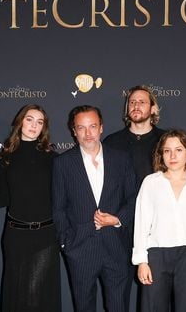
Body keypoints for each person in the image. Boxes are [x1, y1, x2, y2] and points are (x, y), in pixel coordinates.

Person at [53, 105, 136, 312]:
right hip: (80, 248)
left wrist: (117, 220)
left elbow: (134, 199)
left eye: (92, 126)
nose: (87, 133)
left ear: (101, 128)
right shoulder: (63, 163)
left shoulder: (121, 159)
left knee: (119, 307)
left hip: (116, 246)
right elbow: (58, 208)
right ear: (74, 131)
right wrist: (67, 242)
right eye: (81, 128)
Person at [132, 129, 186, 312]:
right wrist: (141, 261)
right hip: (156, 256)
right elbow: (141, 224)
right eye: (167, 150)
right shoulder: (150, 182)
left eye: (178, 150)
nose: (172, 155)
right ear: (161, 154)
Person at [0, 104, 60, 312]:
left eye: (39, 122)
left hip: (45, 235)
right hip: (15, 235)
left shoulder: (53, 159)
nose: (34, 125)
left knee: (36, 296)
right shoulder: (5, 156)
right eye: (30, 119)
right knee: (15, 293)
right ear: (20, 121)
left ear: (44, 128)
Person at [103, 85, 165, 185]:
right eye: (132, 102)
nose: (136, 106)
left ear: (153, 109)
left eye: (142, 102)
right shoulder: (112, 142)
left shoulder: (165, 140)